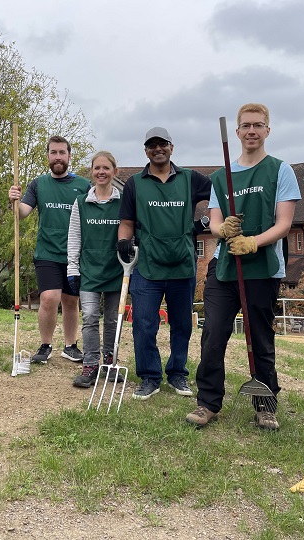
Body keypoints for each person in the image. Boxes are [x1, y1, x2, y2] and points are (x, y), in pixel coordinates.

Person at [185, 104, 300, 430]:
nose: (252, 130)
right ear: (237, 132)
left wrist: (253, 241)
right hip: (224, 270)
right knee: (214, 333)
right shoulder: (221, 177)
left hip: (263, 269)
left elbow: (284, 224)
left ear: (267, 130)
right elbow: (217, 224)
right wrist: (226, 231)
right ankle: (207, 402)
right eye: (246, 125)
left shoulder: (280, 171)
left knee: (260, 337)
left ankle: (265, 405)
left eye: (258, 125)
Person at [117, 127, 211, 400]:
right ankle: (149, 376)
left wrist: (204, 223)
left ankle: (177, 373)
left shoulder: (191, 179)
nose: (157, 149)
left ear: (171, 147)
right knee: (144, 324)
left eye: (162, 144)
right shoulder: (135, 183)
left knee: (182, 324)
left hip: (182, 264)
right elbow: (126, 222)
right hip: (147, 265)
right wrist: (124, 241)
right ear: (145, 151)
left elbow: (221, 195)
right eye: (151, 146)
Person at [8, 136, 90, 364]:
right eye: (53, 153)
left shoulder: (83, 185)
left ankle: (71, 346)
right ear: (48, 156)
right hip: (47, 252)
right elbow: (22, 213)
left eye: (62, 153)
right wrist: (13, 201)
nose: (58, 157)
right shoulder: (38, 184)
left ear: (69, 156)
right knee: (48, 298)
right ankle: (45, 345)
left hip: (75, 254)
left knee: (71, 302)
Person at [67, 151, 126, 387]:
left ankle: (110, 363)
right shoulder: (81, 202)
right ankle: (90, 364)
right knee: (90, 317)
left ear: (114, 171)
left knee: (112, 320)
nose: (101, 172)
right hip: (89, 270)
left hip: (116, 270)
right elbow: (74, 236)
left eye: (106, 168)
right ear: (92, 172)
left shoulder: (123, 203)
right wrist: (72, 267)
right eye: (97, 168)